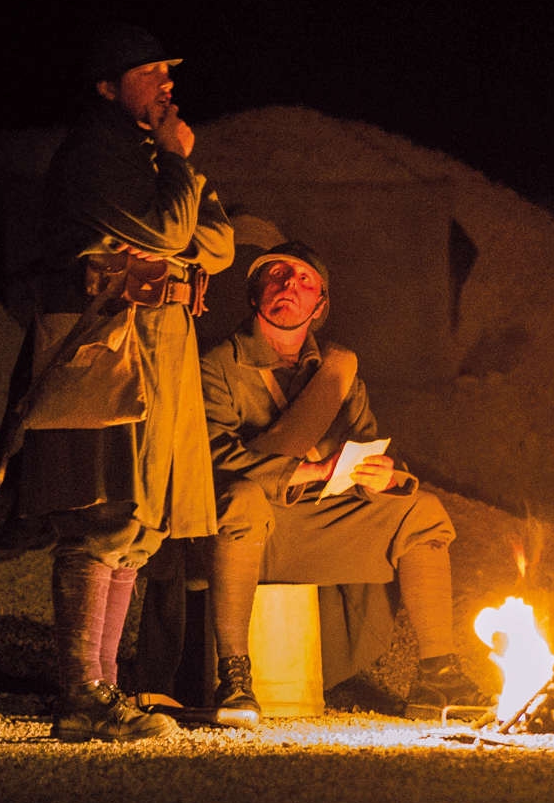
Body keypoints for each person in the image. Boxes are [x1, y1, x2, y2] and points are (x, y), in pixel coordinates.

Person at [135, 242, 485, 724]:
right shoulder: (218, 365)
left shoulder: (339, 372)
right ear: (256, 293)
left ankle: (437, 675)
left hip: (315, 525)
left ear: (319, 306)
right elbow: (210, 455)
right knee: (241, 500)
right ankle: (235, 679)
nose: (288, 286)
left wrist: (383, 476)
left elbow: (368, 444)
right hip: (233, 530)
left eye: (304, 281)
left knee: (421, 511)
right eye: (276, 275)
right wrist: (309, 471)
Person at [9, 23, 238, 743]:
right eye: (149, 73)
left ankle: (102, 690)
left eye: (168, 71)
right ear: (108, 87)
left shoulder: (145, 153)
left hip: (160, 344)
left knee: (136, 529)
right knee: (99, 510)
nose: (167, 83)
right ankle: (79, 692)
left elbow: (219, 243)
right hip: (108, 348)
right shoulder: (96, 151)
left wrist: (175, 188)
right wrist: (177, 170)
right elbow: (175, 232)